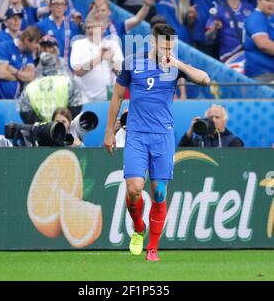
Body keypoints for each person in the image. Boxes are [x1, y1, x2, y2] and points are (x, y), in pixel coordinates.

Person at [104, 24, 211, 261]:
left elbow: (205, 80)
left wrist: (179, 64)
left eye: (171, 45)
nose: (168, 49)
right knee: (134, 189)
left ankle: (152, 248)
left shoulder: (175, 66)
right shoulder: (133, 62)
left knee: (159, 193)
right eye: (164, 45)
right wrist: (109, 132)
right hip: (137, 135)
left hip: (162, 137)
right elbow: (117, 97)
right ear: (153, 42)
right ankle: (138, 227)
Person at [19, 52, 83, 124]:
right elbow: (76, 106)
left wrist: (41, 126)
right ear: (57, 65)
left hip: (39, 131)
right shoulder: (68, 82)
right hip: (63, 129)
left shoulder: (30, 87)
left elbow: (24, 110)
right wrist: (62, 122)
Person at [71, 15, 124, 102]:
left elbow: (121, 74)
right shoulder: (78, 44)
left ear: (103, 29)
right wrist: (100, 58)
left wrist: (110, 61)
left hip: (108, 99)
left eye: (94, 27)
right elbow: (78, 71)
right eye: (88, 28)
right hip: (83, 98)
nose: (91, 31)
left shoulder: (113, 44)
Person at [0, 25, 42, 99]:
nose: (38, 46)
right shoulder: (4, 47)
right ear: (27, 40)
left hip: (13, 100)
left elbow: (31, 76)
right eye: (36, 43)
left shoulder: (28, 53)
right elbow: (2, 74)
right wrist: (22, 76)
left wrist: (15, 71)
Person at [178, 104, 244, 147]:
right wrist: (191, 129)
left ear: (225, 121)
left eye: (217, 117)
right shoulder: (200, 140)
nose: (213, 120)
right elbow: (182, 151)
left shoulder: (233, 141)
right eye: (211, 117)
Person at [244, 0, 274, 82]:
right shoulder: (256, 18)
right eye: (267, 0)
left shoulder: (268, 18)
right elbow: (263, 44)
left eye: (273, 1)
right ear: (258, 1)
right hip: (262, 74)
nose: (271, 4)